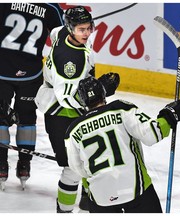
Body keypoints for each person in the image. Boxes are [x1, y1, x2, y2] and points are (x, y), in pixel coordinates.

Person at [34, 5, 120, 213]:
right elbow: (68, 99)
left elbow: (55, 33)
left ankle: (87, 201)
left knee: (90, 162)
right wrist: (101, 91)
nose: (87, 33)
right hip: (62, 115)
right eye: (82, 29)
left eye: (89, 27)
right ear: (71, 28)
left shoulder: (64, 32)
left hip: (72, 111)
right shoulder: (70, 63)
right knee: (73, 169)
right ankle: (64, 210)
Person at [64, 76, 180, 213]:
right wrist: (169, 116)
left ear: (83, 101)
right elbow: (152, 134)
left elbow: (77, 168)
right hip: (135, 191)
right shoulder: (121, 109)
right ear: (103, 93)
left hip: (101, 198)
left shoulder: (73, 130)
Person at [0, 3, 64, 189]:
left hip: (2, 71)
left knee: (0, 118)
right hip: (31, 74)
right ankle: (25, 164)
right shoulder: (50, 7)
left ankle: (1, 165)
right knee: (27, 118)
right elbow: (63, 37)